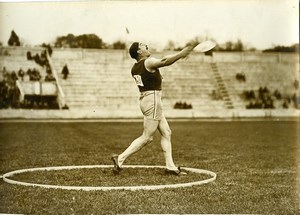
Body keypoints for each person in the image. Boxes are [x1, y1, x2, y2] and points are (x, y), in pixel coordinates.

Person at [111, 40, 199, 176]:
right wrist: (181, 53)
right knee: (147, 137)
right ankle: (120, 158)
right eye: (143, 46)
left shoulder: (135, 67)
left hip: (148, 100)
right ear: (139, 52)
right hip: (153, 100)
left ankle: (170, 166)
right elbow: (164, 61)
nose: (146, 46)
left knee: (166, 133)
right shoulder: (148, 62)